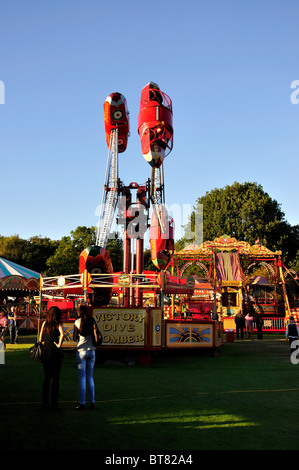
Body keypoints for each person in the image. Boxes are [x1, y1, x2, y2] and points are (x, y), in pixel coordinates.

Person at [73, 304, 98, 410]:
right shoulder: (92, 320)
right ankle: (92, 401)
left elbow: (74, 338)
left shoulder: (77, 322)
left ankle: (82, 402)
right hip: (91, 350)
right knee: (90, 377)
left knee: (82, 378)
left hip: (81, 351)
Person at [39, 306, 64, 411]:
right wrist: (59, 344)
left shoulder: (44, 324)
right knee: (56, 379)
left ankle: (45, 403)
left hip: (46, 351)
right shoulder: (58, 324)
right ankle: (54, 404)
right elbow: (62, 334)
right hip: (55, 351)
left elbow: (40, 339)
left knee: (47, 377)